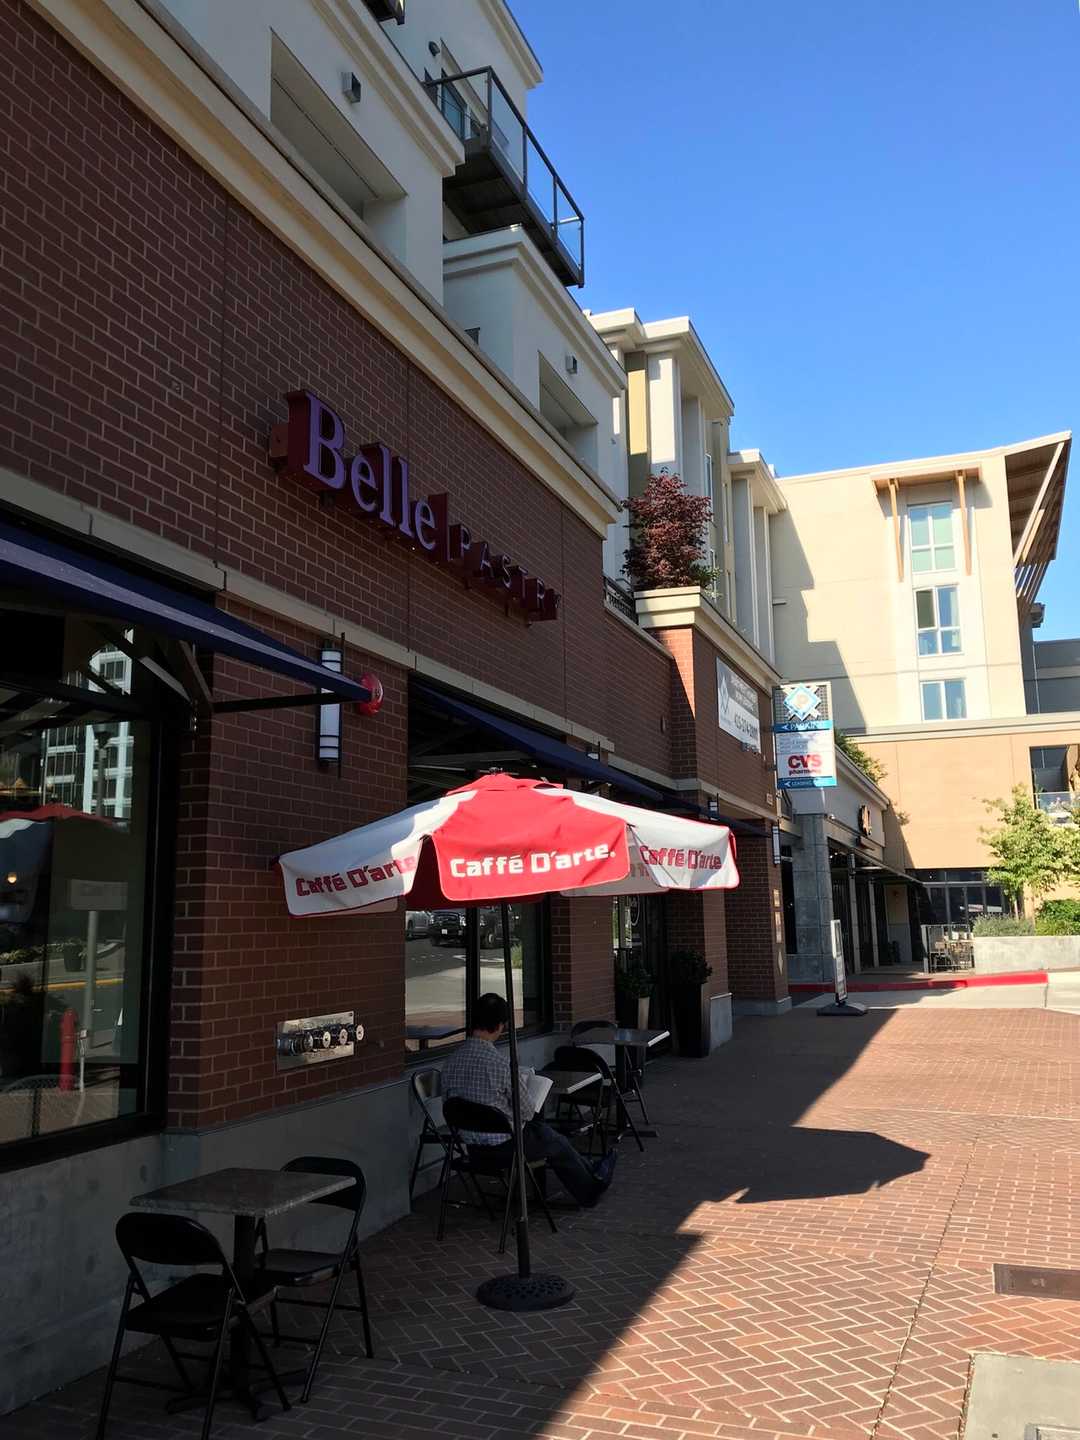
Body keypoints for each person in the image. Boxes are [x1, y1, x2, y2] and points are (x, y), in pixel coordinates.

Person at [442, 993, 616, 1207]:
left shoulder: (451, 1062)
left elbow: (450, 1106)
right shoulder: (500, 1064)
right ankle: (590, 1189)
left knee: (545, 1133)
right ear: (500, 1026)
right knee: (555, 1140)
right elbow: (527, 1111)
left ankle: (591, 1171)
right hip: (507, 1146)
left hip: (471, 1148)